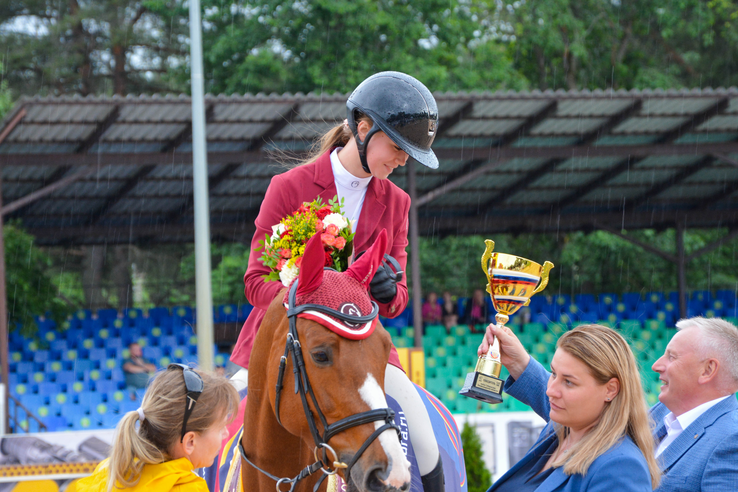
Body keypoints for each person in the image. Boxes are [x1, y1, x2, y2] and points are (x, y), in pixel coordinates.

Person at [228, 71, 445, 490]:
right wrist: (314, 300)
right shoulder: (288, 187)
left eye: (409, 155)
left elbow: (397, 300)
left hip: (360, 350)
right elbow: (255, 283)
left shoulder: (397, 203)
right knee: (217, 423)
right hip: (281, 344)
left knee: (423, 434)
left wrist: (388, 291)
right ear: (363, 128)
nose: (402, 161)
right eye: (398, 148)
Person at [479, 323, 660, 492]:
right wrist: (517, 363)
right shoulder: (563, 429)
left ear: (610, 390)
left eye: (568, 382)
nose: (551, 390)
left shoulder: (620, 468)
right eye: (554, 374)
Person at [76, 364, 239, 491]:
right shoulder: (186, 487)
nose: (226, 433)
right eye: (220, 428)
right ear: (190, 441)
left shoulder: (109, 471)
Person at [649, 316, 738, 491]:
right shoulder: (658, 413)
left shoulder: (731, 440)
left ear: (707, 370)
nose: (656, 365)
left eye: (672, 357)